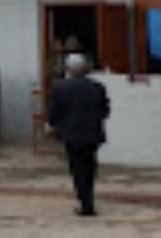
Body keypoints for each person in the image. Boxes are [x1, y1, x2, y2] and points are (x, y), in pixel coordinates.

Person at [47, 53, 110, 217]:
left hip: (72, 135)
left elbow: (55, 111)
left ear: (68, 69)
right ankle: (88, 199)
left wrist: (52, 125)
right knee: (89, 167)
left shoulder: (60, 87)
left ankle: (85, 202)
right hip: (92, 134)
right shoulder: (97, 87)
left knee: (77, 169)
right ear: (85, 69)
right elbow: (105, 111)